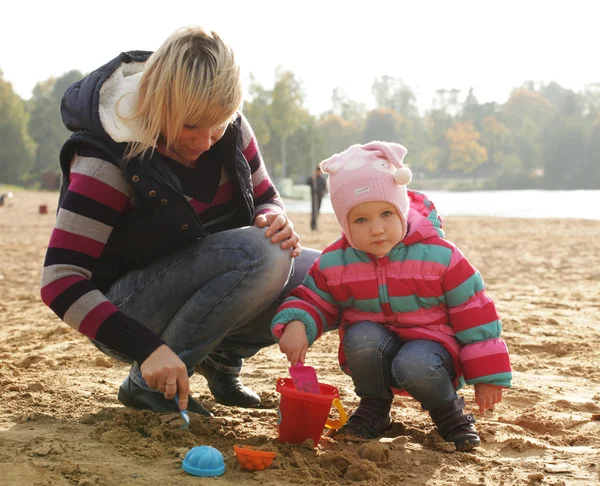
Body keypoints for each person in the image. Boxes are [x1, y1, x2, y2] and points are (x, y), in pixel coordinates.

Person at [40, 26, 320, 417]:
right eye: (190, 125)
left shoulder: (231, 126)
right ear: (158, 102)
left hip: (208, 284)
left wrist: (273, 217)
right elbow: (60, 280)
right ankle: (149, 385)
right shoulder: (107, 158)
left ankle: (220, 360)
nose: (206, 141)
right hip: (127, 311)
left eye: (218, 124)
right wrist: (146, 348)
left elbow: (266, 198)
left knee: (319, 273)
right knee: (262, 254)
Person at [271, 141, 512, 451]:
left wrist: (486, 374)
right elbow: (314, 298)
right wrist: (297, 323)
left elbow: (474, 312)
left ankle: (448, 413)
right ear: (345, 223)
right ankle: (374, 407)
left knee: (414, 363)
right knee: (360, 337)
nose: (376, 229)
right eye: (361, 220)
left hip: (432, 351)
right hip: (376, 350)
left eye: (386, 213)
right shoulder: (336, 261)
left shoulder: (440, 256)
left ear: (402, 209)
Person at [307, 165, 327, 231]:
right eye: (318, 171)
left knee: (317, 212)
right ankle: (313, 227)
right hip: (314, 197)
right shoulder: (313, 178)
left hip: (320, 197)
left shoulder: (322, 179)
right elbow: (308, 182)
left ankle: (315, 226)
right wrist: (312, 178)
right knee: (314, 212)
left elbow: (325, 188)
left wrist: (324, 192)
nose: (319, 172)